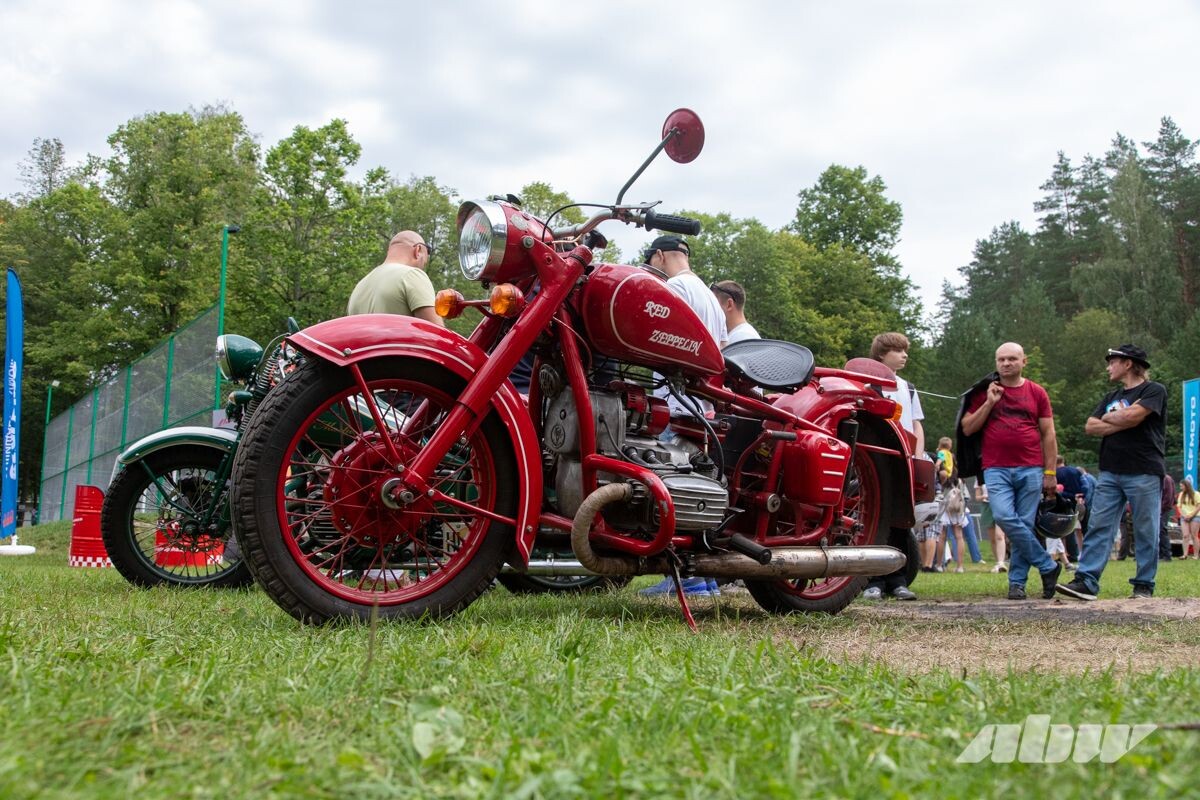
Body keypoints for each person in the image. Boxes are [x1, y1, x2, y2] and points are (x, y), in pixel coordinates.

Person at [640, 235, 727, 598]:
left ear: (660, 256)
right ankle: (704, 578)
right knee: (699, 490)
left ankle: (687, 579)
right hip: (702, 406)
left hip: (674, 404)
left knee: (673, 491)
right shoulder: (711, 298)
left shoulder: (673, 288)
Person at [1058, 345, 1167, 601]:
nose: (1108, 367)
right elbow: (1090, 426)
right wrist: (1124, 417)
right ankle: (1086, 581)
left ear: (1128, 363)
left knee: (1145, 529)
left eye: (1112, 362)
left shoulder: (1154, 390)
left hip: (1144, 470)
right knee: (1099, 526)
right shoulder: (1110, 396)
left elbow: (1133, 418)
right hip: (1109, 471)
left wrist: (1115, 419)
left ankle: (1143, 584)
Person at [959, 342, 1061, 600]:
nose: (1006, 363)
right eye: (1001, 359)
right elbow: (968, 428)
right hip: (995, 467)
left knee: (1024, 525)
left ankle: (1017, 583)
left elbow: (1048, 433)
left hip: (1030, 467)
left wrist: (1050, 473)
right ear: (996, 362)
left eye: (1012, 359)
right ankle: (1048, 565)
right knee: (1004, 517)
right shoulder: (985, 392)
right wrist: (990, 403)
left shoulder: (1037, 392)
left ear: (1023, 361)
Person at [861, 333, 922, 600]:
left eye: (905, 350)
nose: (904, 355)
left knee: (900, 519)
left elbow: (916, 423)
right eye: (898, 350)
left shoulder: (907, 387)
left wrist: (917, 454)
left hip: (903, 461)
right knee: (875, 519)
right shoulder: (868, 385)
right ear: (882, 354)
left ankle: (898, 579)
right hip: (876, 463)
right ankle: (873, 579)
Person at [347, 231, 444, 326]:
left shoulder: (359, 287)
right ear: (418, 250)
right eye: (424, 262)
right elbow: (437, 334)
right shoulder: (412, 275)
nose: (423, 266)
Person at [710, 280, 760, 345]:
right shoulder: (739, 336)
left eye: (714, 303)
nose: (712, 308)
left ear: (729, 305)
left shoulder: (743, 337)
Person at [976, 481, 1008, 572]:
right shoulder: (980, 478)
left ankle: (1002, 562)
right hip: (987, 506)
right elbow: (977, 497)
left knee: (999, 535)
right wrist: (984, 497)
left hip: (1000, 504)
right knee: (993, 538)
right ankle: (998, 562)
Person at [1178, 477, 1199, 559]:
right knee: (1185, 535)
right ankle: (1185, 554)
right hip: (1184, 517)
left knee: (1194, 535)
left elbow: (1198, 506)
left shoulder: (1196, 494)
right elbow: (1179, 507)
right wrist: (1183, 515)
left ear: (1187, 486)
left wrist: (1191, 515)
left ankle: (1196, 555)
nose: (1181, 488)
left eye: (1182, 486)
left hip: (1195, 516)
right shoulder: (1181, 494)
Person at [1159, 473, 1176, 561]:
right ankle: (1162, 554)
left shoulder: (1166, 479)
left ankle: (1166, 554)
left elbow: (1168, 496)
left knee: (1162, 531)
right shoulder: (1165, 478)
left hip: (1162, 509)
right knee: (1159, 531)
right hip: (1162, 508)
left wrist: (1162, 509)